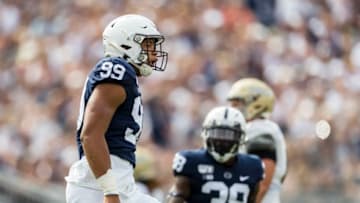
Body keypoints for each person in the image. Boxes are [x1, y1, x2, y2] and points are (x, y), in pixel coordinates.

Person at [65, 14, 168, 203]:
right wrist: (110, 192)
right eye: (148, 45)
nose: (153, 54)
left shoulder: (126, 76)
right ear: (126, 43)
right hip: (97, 187)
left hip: (116, 184)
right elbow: (90, 135)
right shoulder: (117, 69)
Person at [167, 106, 264, 203]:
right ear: (206, 133)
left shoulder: (253, 166)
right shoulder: (191, 161)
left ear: (241, 137)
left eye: (229, 135)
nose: (222, 140)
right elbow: (178, 196)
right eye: (217, 133)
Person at [227, 78, 287, 203]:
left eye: (237, 104)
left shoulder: (259, 128)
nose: (232, 109)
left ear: (255, 103)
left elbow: (263, 180)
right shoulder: (256, 128)